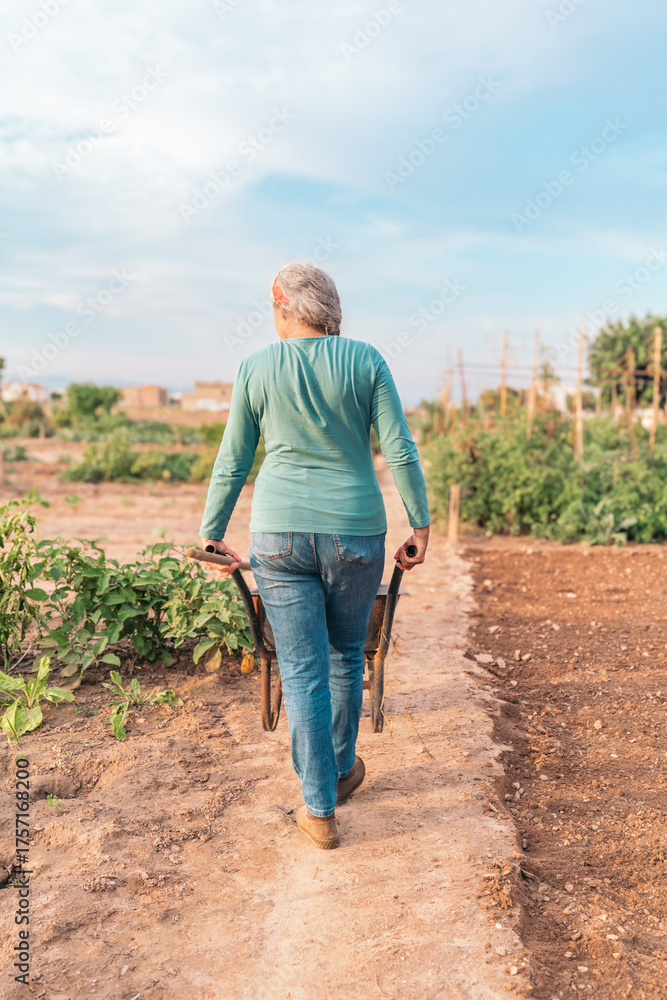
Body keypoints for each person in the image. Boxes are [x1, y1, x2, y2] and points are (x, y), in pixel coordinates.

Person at [200, 261, 430, 849]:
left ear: (282, 304)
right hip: (356, 533)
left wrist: (212, 531)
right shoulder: (367, 361)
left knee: (301, 670)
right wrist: (420, 523)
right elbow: (399, 449)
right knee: (346, 655)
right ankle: (341, 767)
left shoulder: (256, 368)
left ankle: (319, 806)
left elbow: (233, 460)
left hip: (278, 536)